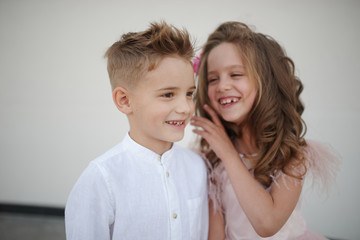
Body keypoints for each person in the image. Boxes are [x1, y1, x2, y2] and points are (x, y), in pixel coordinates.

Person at [191, 21, 339, 240]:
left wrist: (230, 155)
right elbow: (216, 236)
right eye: (213, 79)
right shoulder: (211, 160)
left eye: (236, 74)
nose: (222, 86)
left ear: (265, 82)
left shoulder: (291, 154)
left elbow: (267, 223)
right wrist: (222, 152)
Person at [65, 21, 209, 240]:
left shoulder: (197, 167)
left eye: (189, 93)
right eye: (168, 94)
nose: (185, 108)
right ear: (124, 100)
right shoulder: (101, 179)